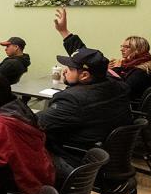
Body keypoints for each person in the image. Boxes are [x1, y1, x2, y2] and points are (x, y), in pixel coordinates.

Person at [38, 46, 132, 179]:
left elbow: (34, 124)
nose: (65, 71)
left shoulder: (73, 100)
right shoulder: (119, 86)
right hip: (108, 159)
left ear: (84, 75)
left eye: (70, 69)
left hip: (77, 162)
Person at [53, 6, 151, 100]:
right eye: (122, 46)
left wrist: (113, 71)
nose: (122, 49)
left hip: (128, 113)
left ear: (138, 50)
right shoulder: (134, 66)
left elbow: (118, 91)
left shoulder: (141, 72)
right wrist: (64, 32)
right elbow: (88, 59)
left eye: (126, 47)